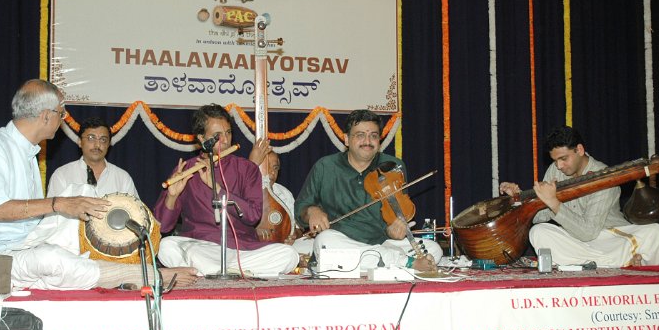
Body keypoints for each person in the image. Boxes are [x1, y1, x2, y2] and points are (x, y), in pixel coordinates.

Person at [0, 79, 197, 289]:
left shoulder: (27, 154)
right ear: (45, 116)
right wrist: (59, 204)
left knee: (81, 197)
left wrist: (70, 206)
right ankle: (147, 277)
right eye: (61, 113)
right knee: (51, 259)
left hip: (20, 246)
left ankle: (120, 271)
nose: (62, 119)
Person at [153, 104, 299, 277]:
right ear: (201, 138)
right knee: (166, 246)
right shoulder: (187, 170)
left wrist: (219, 189)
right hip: (201, 247)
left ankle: (216, 272)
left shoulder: (247, 169)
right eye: (217, 136)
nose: (225, 140)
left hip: (241, 250)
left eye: (228, 133)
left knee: (289, 255)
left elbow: (253, 216)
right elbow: (162, 227)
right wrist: (172, 196)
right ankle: (233, 272)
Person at [295, 109, 442, 272]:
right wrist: (312, 211)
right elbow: (302, 207)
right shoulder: (325, 166)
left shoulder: (393, 166)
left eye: (373, 135)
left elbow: (397, 214)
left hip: (384, 242)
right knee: (324, 241)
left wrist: (395, 228)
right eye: (360, 135)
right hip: (342, 242)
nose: (368, 141)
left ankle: (375, 263)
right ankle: (404, 264)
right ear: (346, 139)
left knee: (434, 249)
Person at [499, 126, 659, 268]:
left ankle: (591, 263)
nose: (559, 166)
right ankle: (617, 263)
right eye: (555, 160)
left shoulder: (604, 177)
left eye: (563, 159)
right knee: (539, 232)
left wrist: (554, 203)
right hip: (577, 240)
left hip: (609, 237)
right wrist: (519, 200)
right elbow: (540, 216)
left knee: (655, 232)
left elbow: (588, 232)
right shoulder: (555, 170)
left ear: (579, 150)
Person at [47, 116, 138, 198]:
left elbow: (136, 213)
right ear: (79, 141)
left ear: (109, 144)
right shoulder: (62, 175)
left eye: (103, 139)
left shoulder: (122, 178)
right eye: (91, 138)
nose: (97, 145)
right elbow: (52, 214)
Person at [255, 151, 313, 255]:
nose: (272, 172)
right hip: (254, 245)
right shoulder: (245, 191)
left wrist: (293, 235)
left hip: (284, 245)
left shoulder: (284, 193)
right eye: (268, 166)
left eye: (275, 168)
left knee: (313, 245)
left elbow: (299, 229)